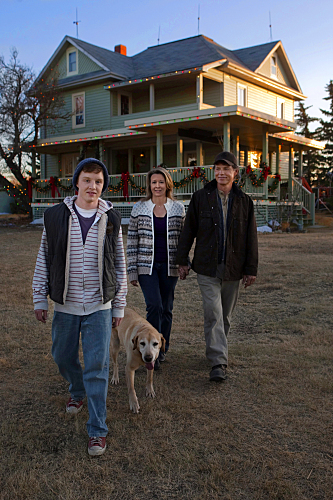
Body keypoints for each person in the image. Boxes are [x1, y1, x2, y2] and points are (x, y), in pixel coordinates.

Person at [32, 158, 127, 456]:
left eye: (98, 182)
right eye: (87, 180)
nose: (93, 186)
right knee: (62, 356)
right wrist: (39, 297)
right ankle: (77, 390)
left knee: (98, 366)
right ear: (77, 182)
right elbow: (44, 258)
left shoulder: (111, 218)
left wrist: (119, 306)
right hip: (66, 304)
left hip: (100, 305)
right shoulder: (56, 216)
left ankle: (97, 430)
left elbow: (120, 264)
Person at [176, 151, 258, 382]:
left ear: (235, 172)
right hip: (207, 267)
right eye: (217, 168)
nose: (221, 173)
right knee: (213, 313)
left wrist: (251, 269)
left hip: (233, 268)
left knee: (226, 317)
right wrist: (183, 260)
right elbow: (188, 230)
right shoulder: (201, 197)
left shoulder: (244, 201)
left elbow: (251, 237)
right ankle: (218, 362)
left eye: (226, 168)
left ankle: (215, 349)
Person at [127, 166, 185, 370]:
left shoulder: (178, 208)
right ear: (149, 185)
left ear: (167, 184)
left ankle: (160, 350)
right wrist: (132, 270)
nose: (157, 186)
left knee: (167, 309)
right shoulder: (139, 208)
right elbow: (132, 240)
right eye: (153, 182)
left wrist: (184, 263)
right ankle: (148, 350)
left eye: (161, 182)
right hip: (146, 267)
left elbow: (183, 240)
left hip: (170, 267)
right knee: (154, 306)